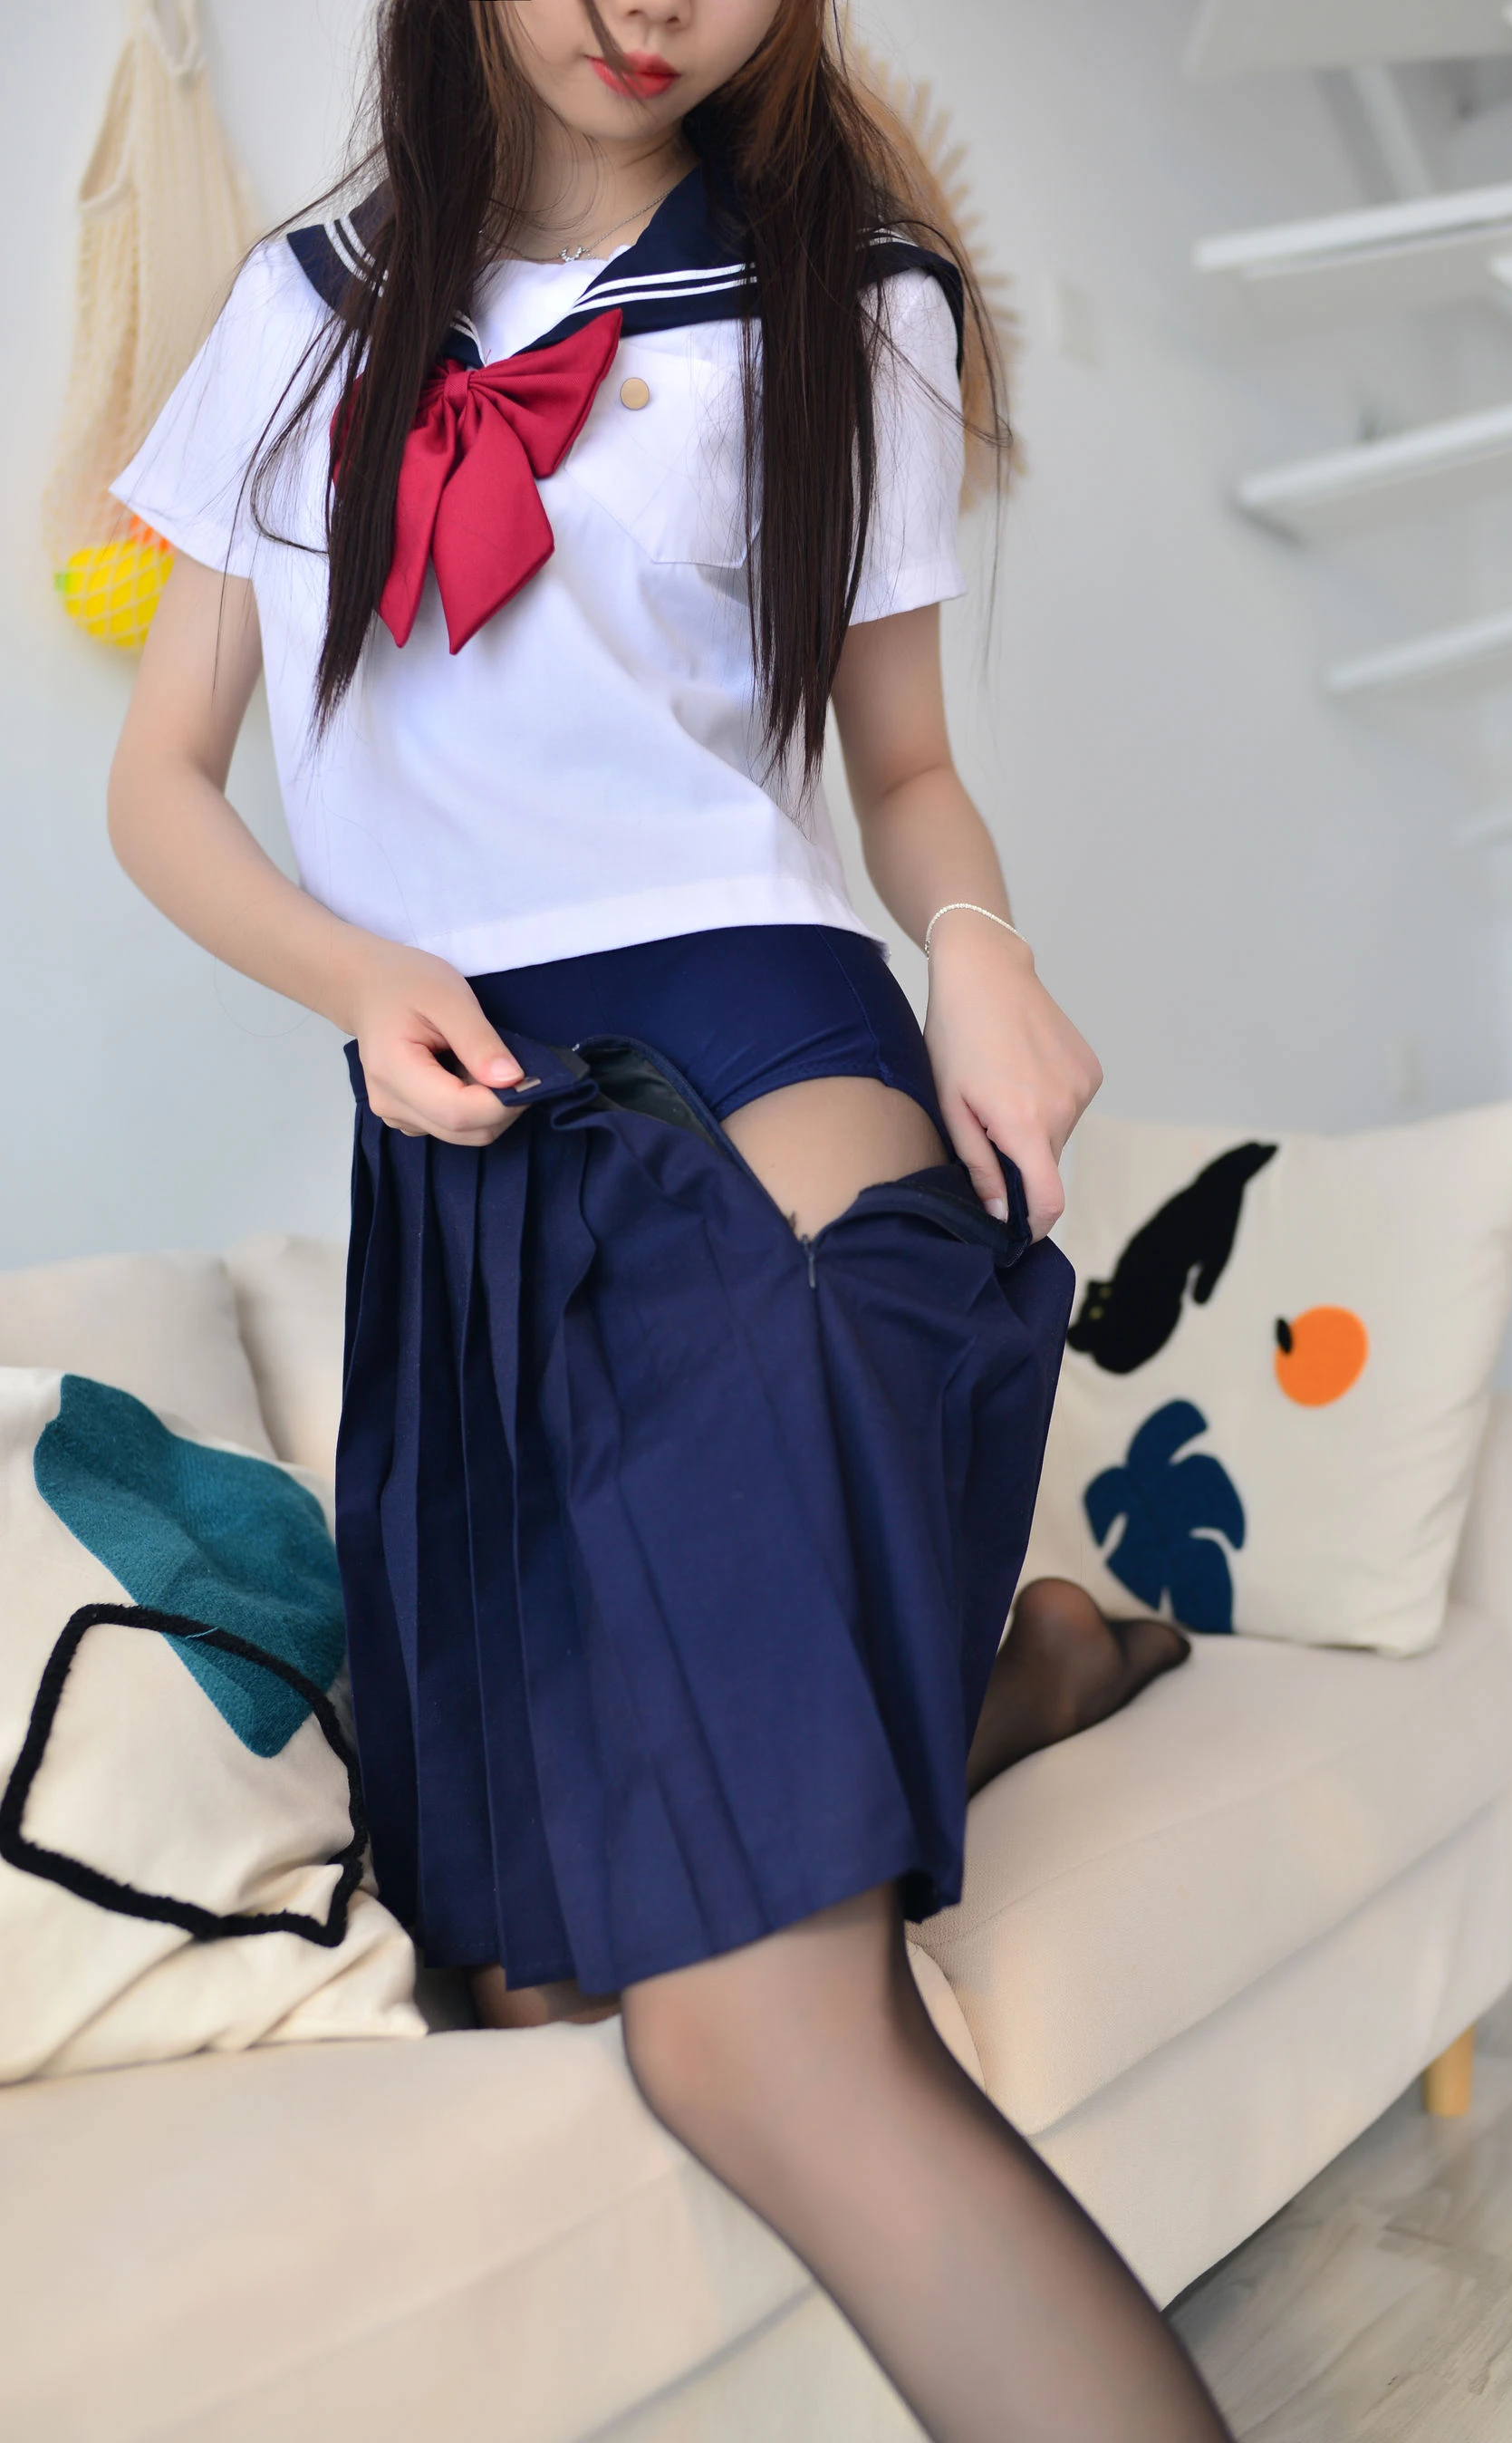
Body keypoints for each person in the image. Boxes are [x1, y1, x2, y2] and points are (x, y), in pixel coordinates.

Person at [107, 4, 1228, 2434]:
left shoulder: (853, 295)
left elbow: (901, 767)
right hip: (464, 1129)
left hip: (763, 1057)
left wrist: (982, 946)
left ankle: (965, 1704)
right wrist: (361, 973)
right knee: (530, 1962)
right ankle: (1021, 1675)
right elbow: (163, 784)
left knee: (749, 2033)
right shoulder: (303, 312)